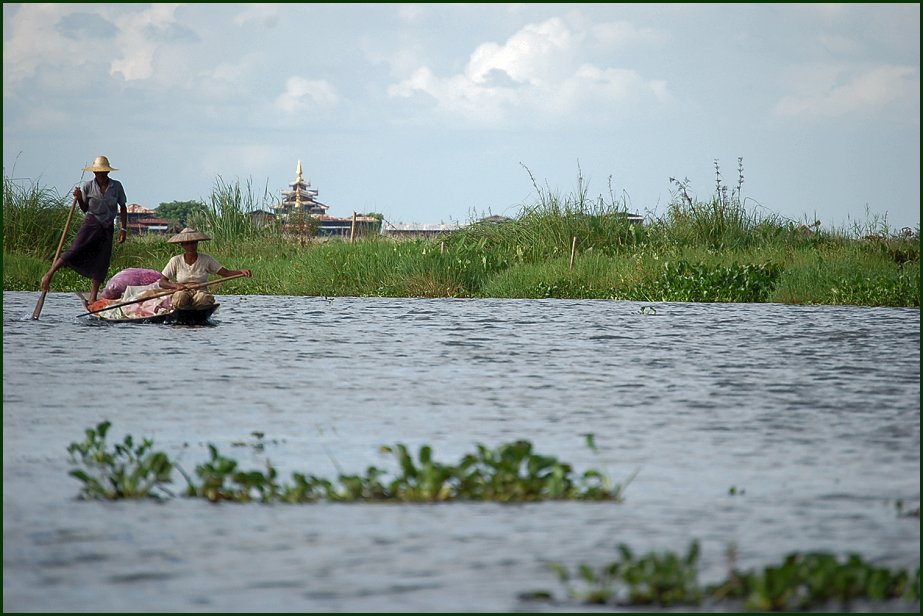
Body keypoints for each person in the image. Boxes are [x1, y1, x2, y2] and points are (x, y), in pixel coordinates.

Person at [40, 155, 128, 303]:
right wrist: (80, 198)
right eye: (98, 172)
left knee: (102, 260)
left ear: (108, 172)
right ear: (94, 173)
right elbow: (85, 208)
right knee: (74, 249)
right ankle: (49, 274)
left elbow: (123, 207)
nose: (101, 174)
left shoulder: (116, 186)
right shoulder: (88, 186)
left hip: (107, 226)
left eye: (104, 172)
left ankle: (93, 296)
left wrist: (123, 229)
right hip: (92, 223)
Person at [159, 227, 252, 308]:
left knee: (202, 299)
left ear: (197, 243)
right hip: (182, 291)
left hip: (201, 291)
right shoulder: (175, 260)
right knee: (180, 297)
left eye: (193, 243)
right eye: (187, 244)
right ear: (182, 245)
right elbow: (162, 282)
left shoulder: (206, 259)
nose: (191, 246)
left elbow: (226, 273)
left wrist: (241, 272)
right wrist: (176, 285)